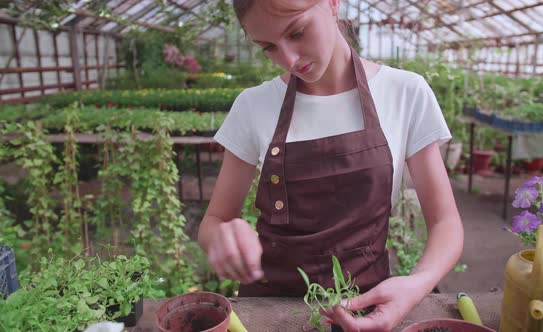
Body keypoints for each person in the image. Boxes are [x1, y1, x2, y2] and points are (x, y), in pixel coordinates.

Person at [197, 0, 464, 331]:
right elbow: (214, 220)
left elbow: (445, 222)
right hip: (267, 311)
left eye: (297, 32)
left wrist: (417, 284)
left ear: (333, 4)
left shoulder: (405, 92)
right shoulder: (254, 105)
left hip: (364, 309)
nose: (288, 59)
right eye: (268, 47)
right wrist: (222, 235)